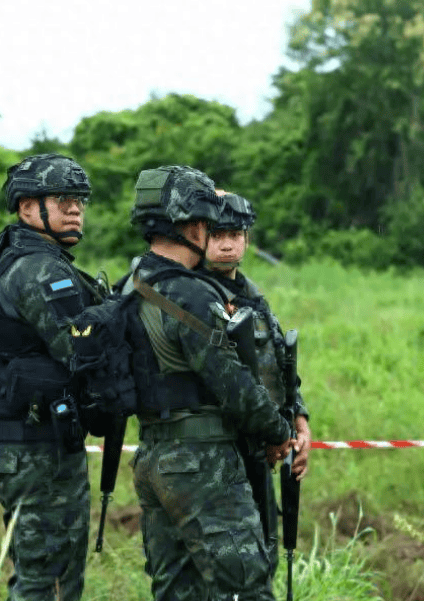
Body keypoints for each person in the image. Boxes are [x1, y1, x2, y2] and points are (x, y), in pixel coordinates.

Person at [120, 165, 294, 601]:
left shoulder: (130, 284)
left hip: (153, 455)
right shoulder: (192, 294)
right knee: (246, 588)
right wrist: (279, 432)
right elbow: (233, 383)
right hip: (202, 461)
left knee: (177, 591)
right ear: (193, 226)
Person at [0, 153, 104, 601]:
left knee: (42, 576)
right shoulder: (40, 269)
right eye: (63, 199)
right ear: (28, 207)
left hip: (21, 444)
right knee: (51, 582)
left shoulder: (16, 260)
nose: (75, 209)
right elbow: (79, 351)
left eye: (80, 200)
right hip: (37, 449)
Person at [201, 191, 312, 581]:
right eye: (217, 235)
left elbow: (281, 365)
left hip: (261, 451)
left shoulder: (253, 297)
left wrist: (299, 422)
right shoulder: (193, 296)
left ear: (247, 239)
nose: (226, 244)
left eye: (235, 234)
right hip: (218, 455)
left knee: (263, 558)